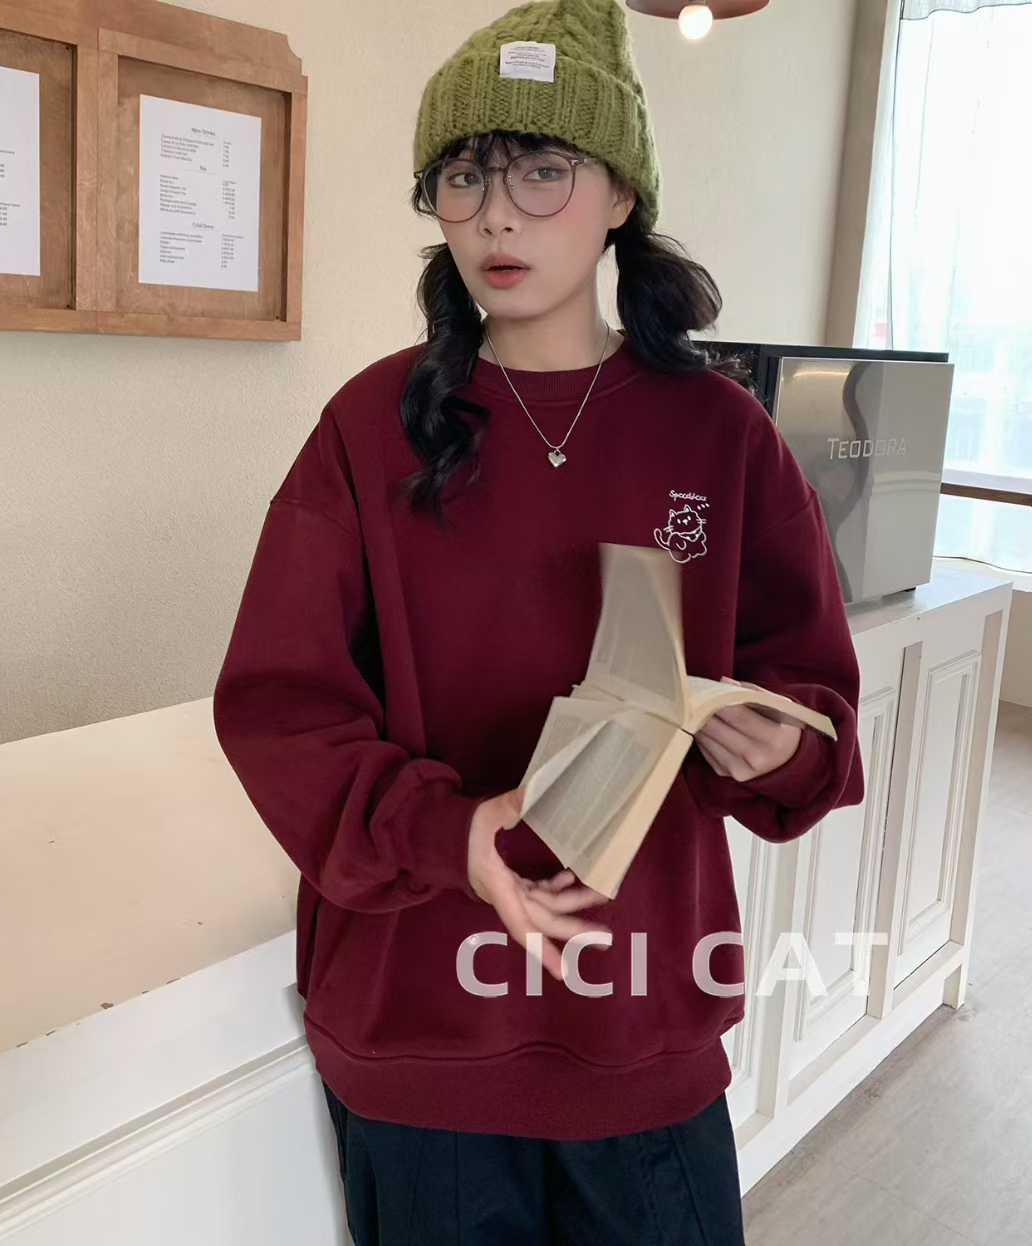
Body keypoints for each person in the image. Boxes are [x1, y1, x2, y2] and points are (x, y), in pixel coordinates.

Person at [212, 0, 865, 1240]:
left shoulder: (720, 434)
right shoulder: (369, 430)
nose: (497, 215)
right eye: (464, 176)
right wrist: (449, 833)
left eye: (542, 169)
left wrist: (781, 742)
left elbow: (816, 699)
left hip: (641, 1018)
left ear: (622, 194)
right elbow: (278, 707)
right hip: (423, 1029)